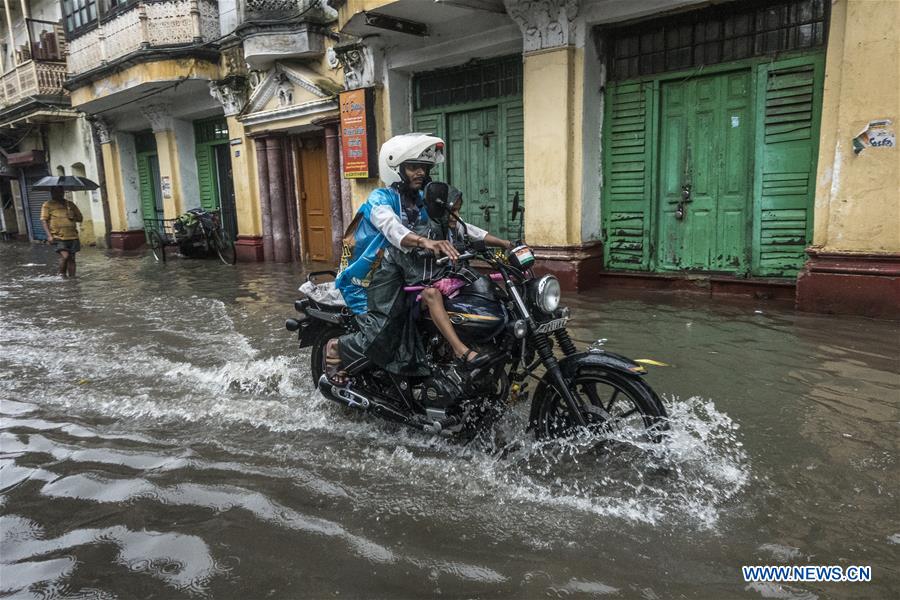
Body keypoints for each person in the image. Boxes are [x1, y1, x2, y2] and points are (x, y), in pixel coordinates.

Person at [325, 133, 510, 385]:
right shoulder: (380, 199)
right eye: (413, 167)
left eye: (424, 168)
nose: (420, 173)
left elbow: (458, 226)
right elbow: (392, 229)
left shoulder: (423, 201)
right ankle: (336, 349)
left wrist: (504, 243)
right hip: (372, 280)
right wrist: (425, 241)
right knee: (385, 330)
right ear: (394, 168)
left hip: (411, 274)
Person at [40, 188, 83, 278]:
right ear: (51, 193)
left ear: (62, 193)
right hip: (58, 236)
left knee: (72, 259)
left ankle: (72, 279)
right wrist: (49, 236)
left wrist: (73, 215)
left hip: (72, 236)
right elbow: (44, 220)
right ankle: (61, 275)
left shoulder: (70, 204)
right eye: (54, 192)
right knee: (65, 256)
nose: (57, 194)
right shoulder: (47, 205)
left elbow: (80, 218)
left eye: (59, 192)